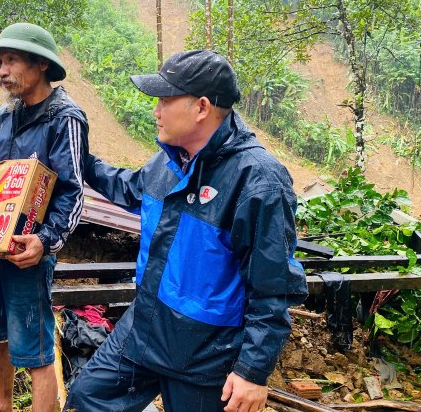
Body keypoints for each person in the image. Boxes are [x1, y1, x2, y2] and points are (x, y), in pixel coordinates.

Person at [64, 50, 308, 412]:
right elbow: (129, 188)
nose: (155, 111)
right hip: (144, 330)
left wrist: (252, 371)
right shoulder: (171, 159)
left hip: (205, 354)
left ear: (201, 108)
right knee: (87, 399)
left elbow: (271, 287)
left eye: (164, 100)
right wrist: (79, 158)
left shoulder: (257, 181)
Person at [0, 23, 89, 412]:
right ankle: (3, 403)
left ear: (41, 63)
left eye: (11, 60)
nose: (2, 71)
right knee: (0, 330)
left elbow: (74, 193)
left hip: (31, 249)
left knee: (35, 342)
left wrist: (45, 241)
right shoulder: (3, 116)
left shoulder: (65, 118)